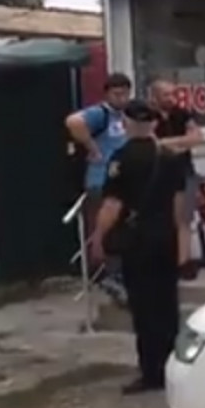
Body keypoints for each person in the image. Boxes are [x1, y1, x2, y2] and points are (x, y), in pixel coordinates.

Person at [90, 101, 188, 395]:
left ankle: (151, 371)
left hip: (138, 241)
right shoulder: (170, 158)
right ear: (154, 124)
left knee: (144, 309)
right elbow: (180, 209)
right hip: (166, 239)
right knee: (167, 306)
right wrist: (184, 248)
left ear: (126, 124)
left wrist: (98, 238)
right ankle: (173, 368)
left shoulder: (121, 159)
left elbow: (113, 205)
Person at [65, 73, 134, 305]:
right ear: (107, 94)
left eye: (125, 94)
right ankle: (107, 274)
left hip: (123, 182)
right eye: (116, 94)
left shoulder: (126, 116)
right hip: (100, 180)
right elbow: (74, 122)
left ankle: (121, 275)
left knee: (124, 229)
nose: (121, 98)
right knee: (106, 229)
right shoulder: (101, 113)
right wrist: (92, 148)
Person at [148, 79, 205, 275]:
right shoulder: (148, 116)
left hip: (184, 170)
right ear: (154, 96)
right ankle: (161, 262)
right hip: (157, 174)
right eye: (166, 95)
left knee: (184, 218)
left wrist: (168, 142)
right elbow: (152, 144)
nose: (171, 98)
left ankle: (183, 262)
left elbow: (197, 137)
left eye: (173, 94)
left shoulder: (182, 114)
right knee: (161, 219)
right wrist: (180, 143)